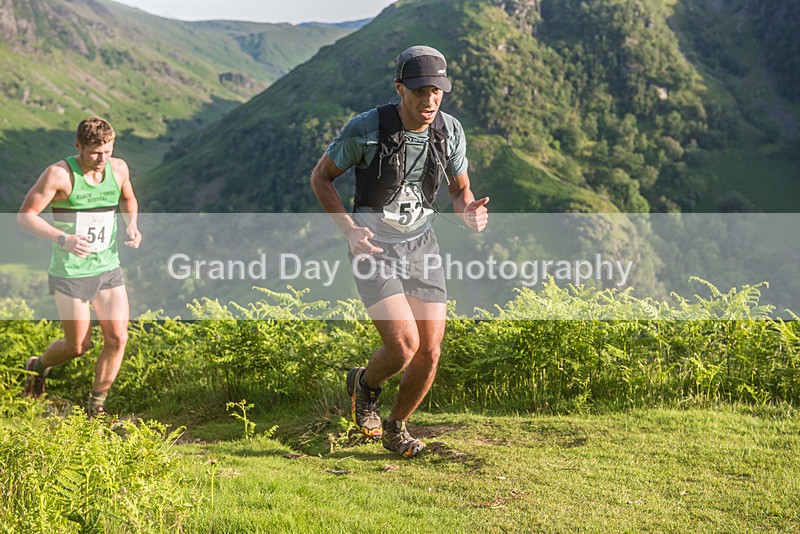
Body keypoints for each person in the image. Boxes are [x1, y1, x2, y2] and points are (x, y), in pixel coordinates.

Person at [310, 45, 489, 458]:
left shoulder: (450, 131)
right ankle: (365, 384)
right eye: (420, 91)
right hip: (373, 247)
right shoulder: (366, 128)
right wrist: (349, 231)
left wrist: (469, 211)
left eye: (436, 91)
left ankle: (396, 427)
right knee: (404, 347)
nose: (429, 100)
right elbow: (321, 178)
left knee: (430, 351)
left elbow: (461, 190)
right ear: (399, 88)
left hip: (422, 245)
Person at [18, 117, 142, 416]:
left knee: (118, 337)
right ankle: (38, 365)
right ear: (78, 146)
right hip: (71, 272)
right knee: (78, 346)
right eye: (95, 153)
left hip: (107, 267)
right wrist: (64, 238)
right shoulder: (59, 175)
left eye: (108, 151)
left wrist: (132, 225)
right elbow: (26, 216)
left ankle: (96, 407)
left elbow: (128, 198)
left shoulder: (119, 168)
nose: (102, 159)